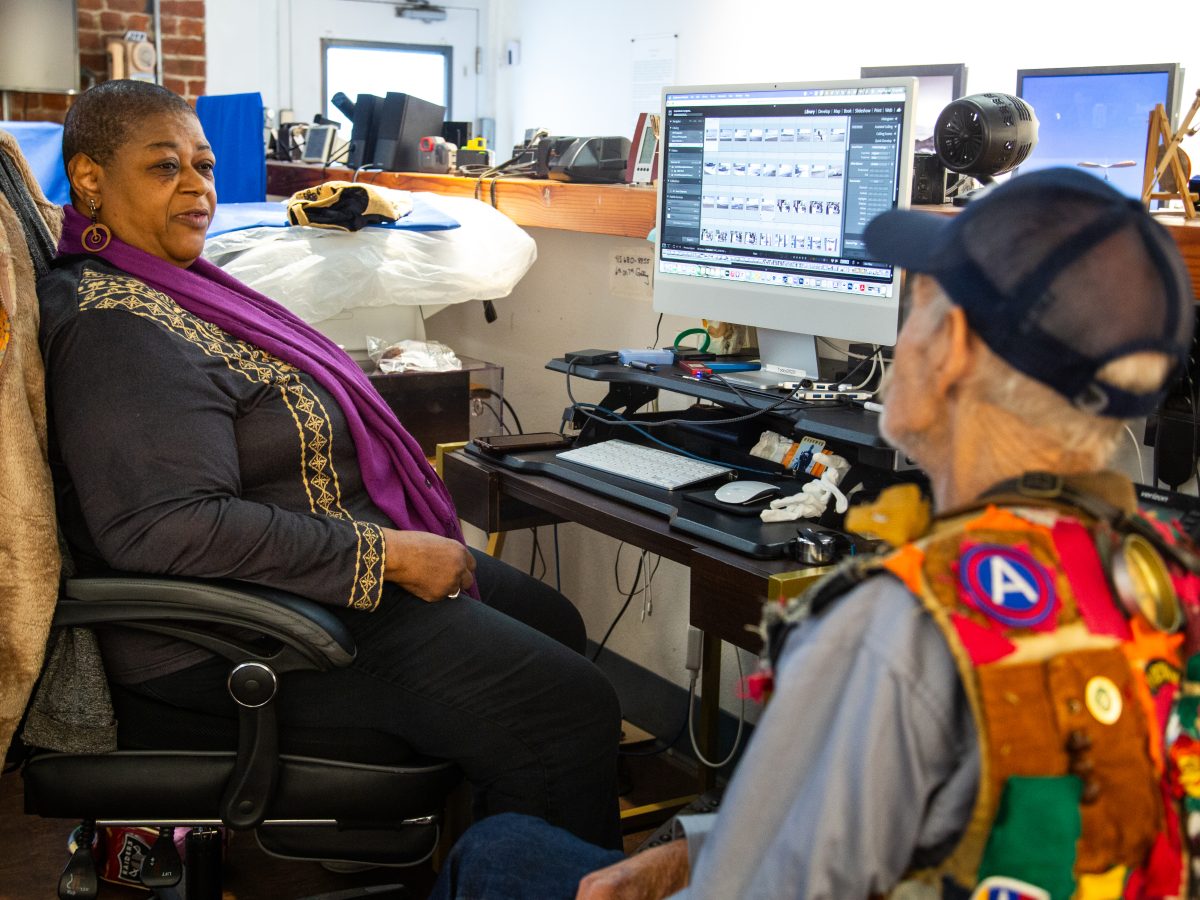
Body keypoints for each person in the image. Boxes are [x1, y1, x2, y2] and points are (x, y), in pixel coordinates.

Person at [428, 167, 1199, 899]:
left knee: (503, 853)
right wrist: (687, 855)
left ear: (955, 345)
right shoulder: (1170, 586)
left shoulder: (894, 628)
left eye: (917, 305)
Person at [37, 80, 622, 850]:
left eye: (204, 166)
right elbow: (163, 529)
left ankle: (469, 844)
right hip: (234, 635)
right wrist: (390, 553)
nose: (196, 187)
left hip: (305, 586)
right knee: (563, 704)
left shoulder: (174, 288)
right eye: (163, 167)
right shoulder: (119, 331)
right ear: (89, 180)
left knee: (554, 621)